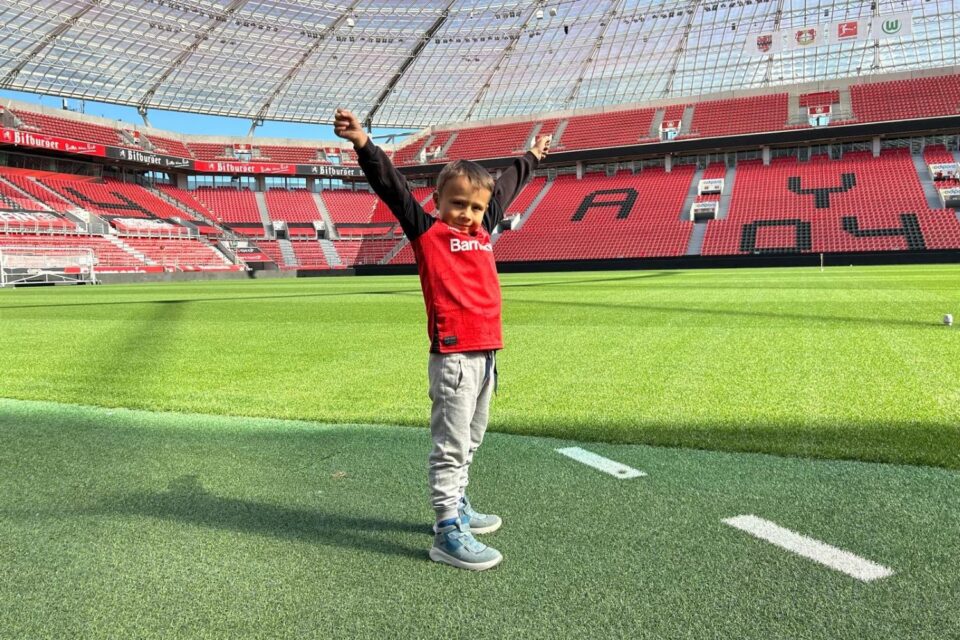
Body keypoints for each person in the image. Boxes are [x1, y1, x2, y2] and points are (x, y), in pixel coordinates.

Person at [334, 108, 550, 571]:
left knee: (472, 437)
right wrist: (364, 144)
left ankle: (460, 503)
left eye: (475, 207)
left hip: (487, 354)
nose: (468, 215)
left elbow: (506, 186)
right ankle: (447, 529)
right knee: (451, 444)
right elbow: (391, 187)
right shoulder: (428, 231)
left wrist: (530, 156)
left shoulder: (484, 228)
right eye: (458, 204)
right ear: (438, 201)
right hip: (453, 356)